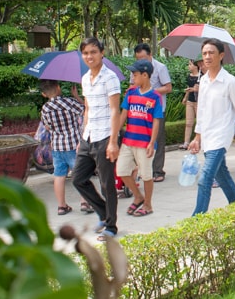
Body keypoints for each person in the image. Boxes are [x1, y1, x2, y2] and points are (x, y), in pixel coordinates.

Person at [188, 38, 235, 216]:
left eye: (211, 52)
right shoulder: (203, 81)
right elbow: (202, 110)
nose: (207, 56)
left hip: (221, 136)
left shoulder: (230, 82)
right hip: (208, 136)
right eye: (204, 53)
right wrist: (197, 137)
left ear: (221, 55)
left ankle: (196, 219)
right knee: (222, 175)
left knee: (205, 179)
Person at [72, 37, 121, 241]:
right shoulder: (85, 79)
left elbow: (114, 110)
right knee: (78, 179)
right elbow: (88, 108)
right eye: (85, 53)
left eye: (93, 52)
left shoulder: (110, 78)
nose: (89, 56)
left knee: (106, 183)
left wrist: (113, 141)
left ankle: (111, 226)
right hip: (88, 136)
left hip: (104, 136)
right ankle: (103, 212)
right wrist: (82, 137)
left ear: (102, 52)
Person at [117, 59, 163, 217]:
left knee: (146, 175)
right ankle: (138, 196)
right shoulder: (130, 93)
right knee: (121, 170)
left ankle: (148, 205)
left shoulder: (155, 96)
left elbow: (156, 121)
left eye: (135, 75)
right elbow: (123, 115)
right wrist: (114, 135)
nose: (133, 78)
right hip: (128, 141)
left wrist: (152, 142)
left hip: (145, 143)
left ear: (145, 75)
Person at [40, 80, 91, 215]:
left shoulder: (45, 108)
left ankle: (62, 206)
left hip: (56, 145)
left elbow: (46, 126)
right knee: (80, 173)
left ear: (44, 94)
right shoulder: (69, 102)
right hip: (74, 144)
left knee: (59, 175)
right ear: (58, 87)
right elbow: (86, 109)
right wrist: (77, 96)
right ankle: (84, 202)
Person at [132, 43, 172, 183]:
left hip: (157, 110)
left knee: (158, 140)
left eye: (143, 57)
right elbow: (133, 85)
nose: (141, 61)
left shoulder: (160, 67)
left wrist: (151, 92)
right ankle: (142, 171)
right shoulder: (135, 70)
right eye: (138, 58)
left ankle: (158, 171)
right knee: (140, 141)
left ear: (150, 55)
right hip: (140, 110)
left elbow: (168, 88)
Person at [180, 59, 201, 150]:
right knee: (188, 122)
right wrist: (185, 97)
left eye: (190, 64)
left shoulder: (202, 76)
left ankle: (200, 141)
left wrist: (196, 89)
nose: (189, 66)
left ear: (196, 66)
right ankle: (186, 142)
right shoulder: (189, 76)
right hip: (190, 101)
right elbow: (189, 88)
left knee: (200, 122)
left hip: (198, 102)